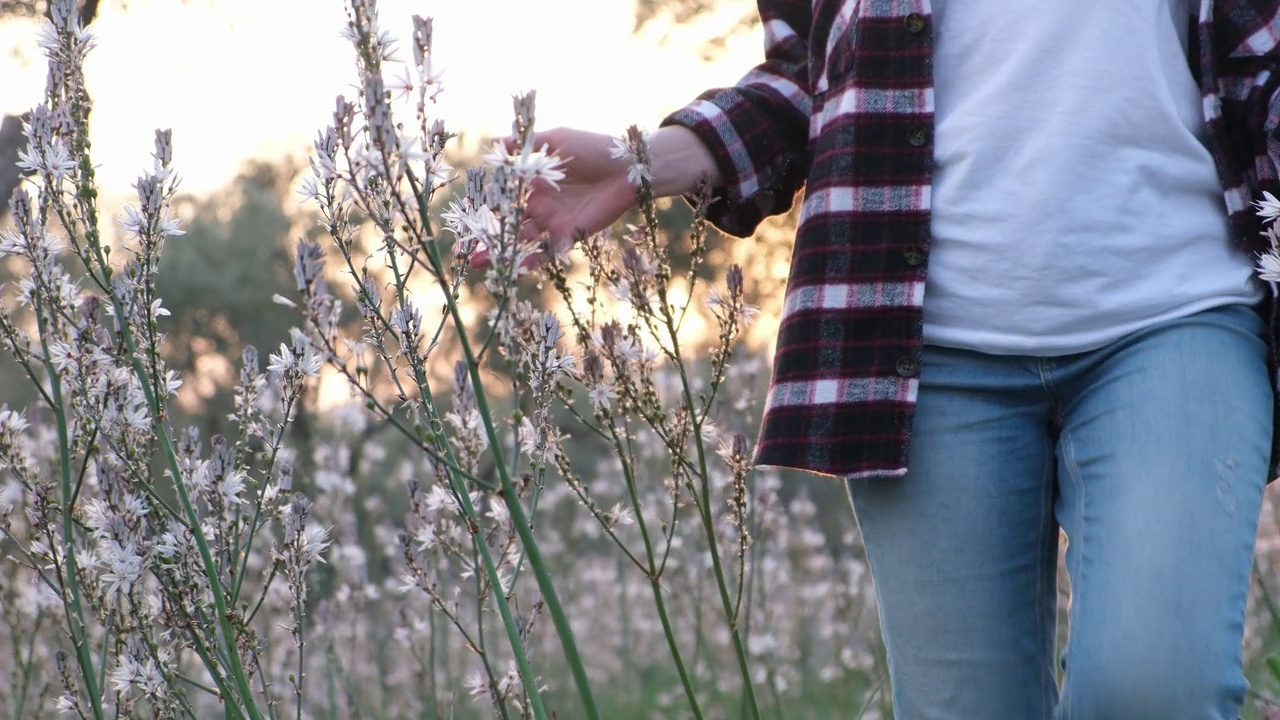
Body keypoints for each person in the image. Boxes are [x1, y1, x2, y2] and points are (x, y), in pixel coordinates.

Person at [515, 1, 1280, 718]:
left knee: (1153, 689)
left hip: (1181, 308)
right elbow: (811, 76)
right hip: (919, 349)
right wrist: (649, 159)